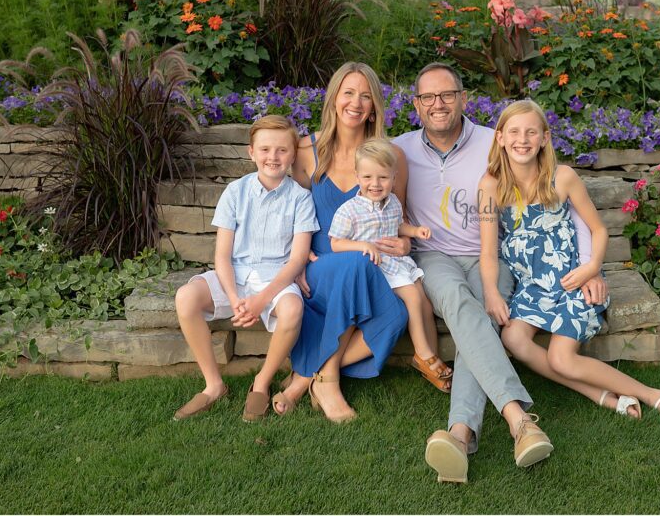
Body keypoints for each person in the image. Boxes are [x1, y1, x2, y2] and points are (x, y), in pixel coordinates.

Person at [393, 63, 607, 483]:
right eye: (428, 97)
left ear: (463, 98)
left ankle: (459, 435)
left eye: (447, 94)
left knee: (488, 312)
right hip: (434, 255)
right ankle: (519, 420)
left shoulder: (499, 141)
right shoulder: (401, 150)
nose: (439, 104)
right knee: (459, 302)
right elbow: (369, 186)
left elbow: (567, 208)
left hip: (492, 257)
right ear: (416, 105)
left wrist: (591, 265)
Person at [480, 99, 660, 427]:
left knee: (560, 357)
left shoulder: (562, 177)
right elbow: (486, 251)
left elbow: (597, 229)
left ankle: (656, 395)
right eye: (514, 132)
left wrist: (593, 267)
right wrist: (492, 294)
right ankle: (600, 394)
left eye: (531, 132)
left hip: (574, 281)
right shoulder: (490, 186)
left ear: (545, 138)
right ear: (500, 138)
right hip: (533, 289)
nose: (522, 139)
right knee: (513, 339)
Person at [272, 62, 411, 423]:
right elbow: (288, 217)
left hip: (371, 265)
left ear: (376, 106)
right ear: (334, 98)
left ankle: (306, 377)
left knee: (396, 316)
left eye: (366, 95)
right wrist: (296, 261)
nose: (356, 102)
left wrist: (405, 246)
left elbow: (399, 221)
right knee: (356, 263)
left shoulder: (391, 157)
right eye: (348, 92)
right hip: (319, 265)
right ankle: (328, 379)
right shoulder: (305, 151)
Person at [172, 115, 317, 422]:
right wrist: (235, 297)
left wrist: (262, 299)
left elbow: (297, 259)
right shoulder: (235, 192)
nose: (273, 157)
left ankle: (262, 382)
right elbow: (222, 256)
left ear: (293, 154)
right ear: (251, 152)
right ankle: (213, 385)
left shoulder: (301, 199)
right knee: (186, 297)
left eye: (281, 150)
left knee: (292, 310)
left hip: (276, 278)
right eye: (265, 149)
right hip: (234, 275)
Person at [329, 138, 453, 392]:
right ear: (357, 176)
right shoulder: (349, 210)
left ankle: (430, 356)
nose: (375, 184)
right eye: (368, 177)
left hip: (397, 263)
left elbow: (397, 226)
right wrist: (362, 246)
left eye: (383, 178)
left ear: (394, 177)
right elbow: (336, 243)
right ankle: (422, 353)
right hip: (375, 269)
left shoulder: (393, 202)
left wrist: (415, 230)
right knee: (412, 297)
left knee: (423, 297)